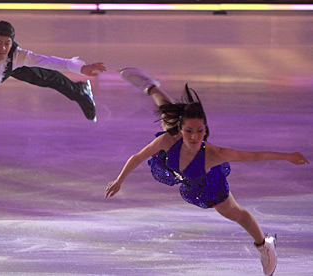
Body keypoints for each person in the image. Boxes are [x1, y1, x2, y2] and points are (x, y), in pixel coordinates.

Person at [105, 68, 309, 276]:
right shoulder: (168, 139)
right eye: (189, 131)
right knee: (169, 115)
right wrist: (119, 180)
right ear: (181, 129)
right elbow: (137, 157)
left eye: (200, 131)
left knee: (235, 213)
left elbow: (253, 156)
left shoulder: (213, 154)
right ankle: (150, 86)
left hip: (208, 184)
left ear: (206, 129)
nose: (194, 137)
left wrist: (287, 156)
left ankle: (264, 245)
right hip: (178, 162)